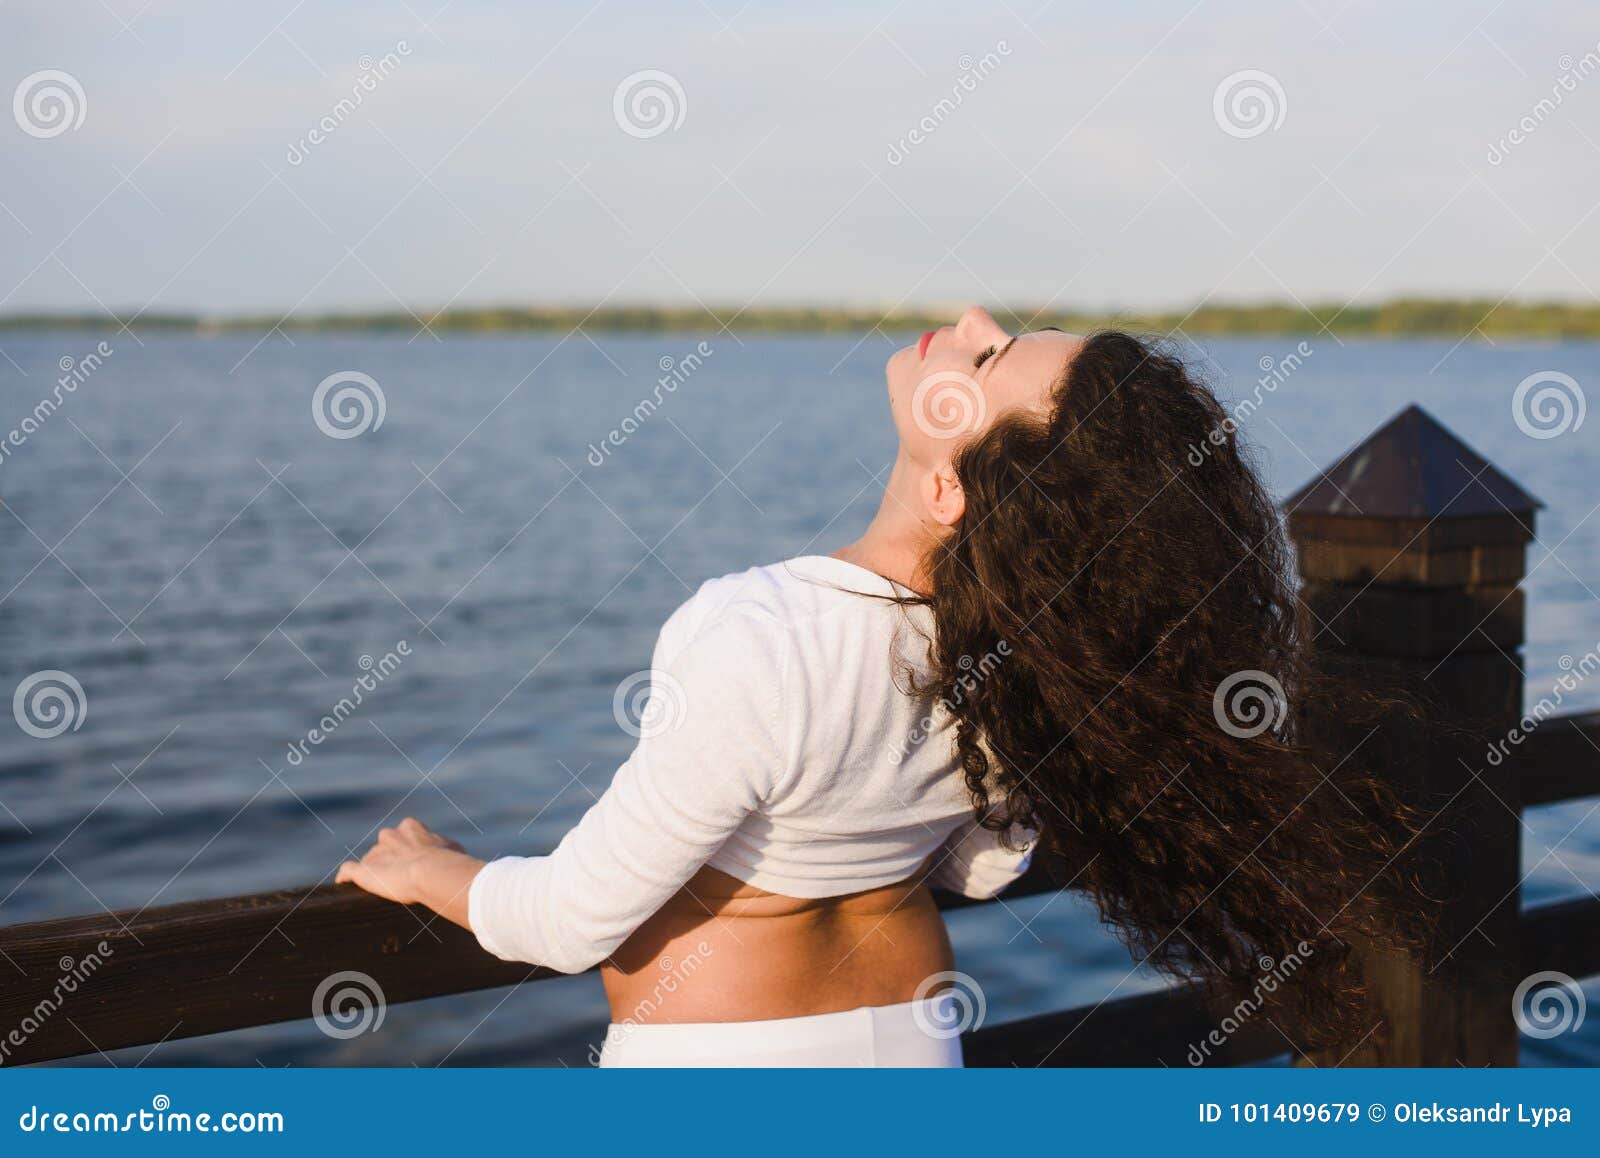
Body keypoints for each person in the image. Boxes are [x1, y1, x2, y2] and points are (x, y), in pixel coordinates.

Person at [338, 307, 1424, 1066]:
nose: (968, 320)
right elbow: (986, 864)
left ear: (950, 486)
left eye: (989, 360)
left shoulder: (757, 633)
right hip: (911, 1041)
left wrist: (439, 872)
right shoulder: (1031, 654)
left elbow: (571, 921)